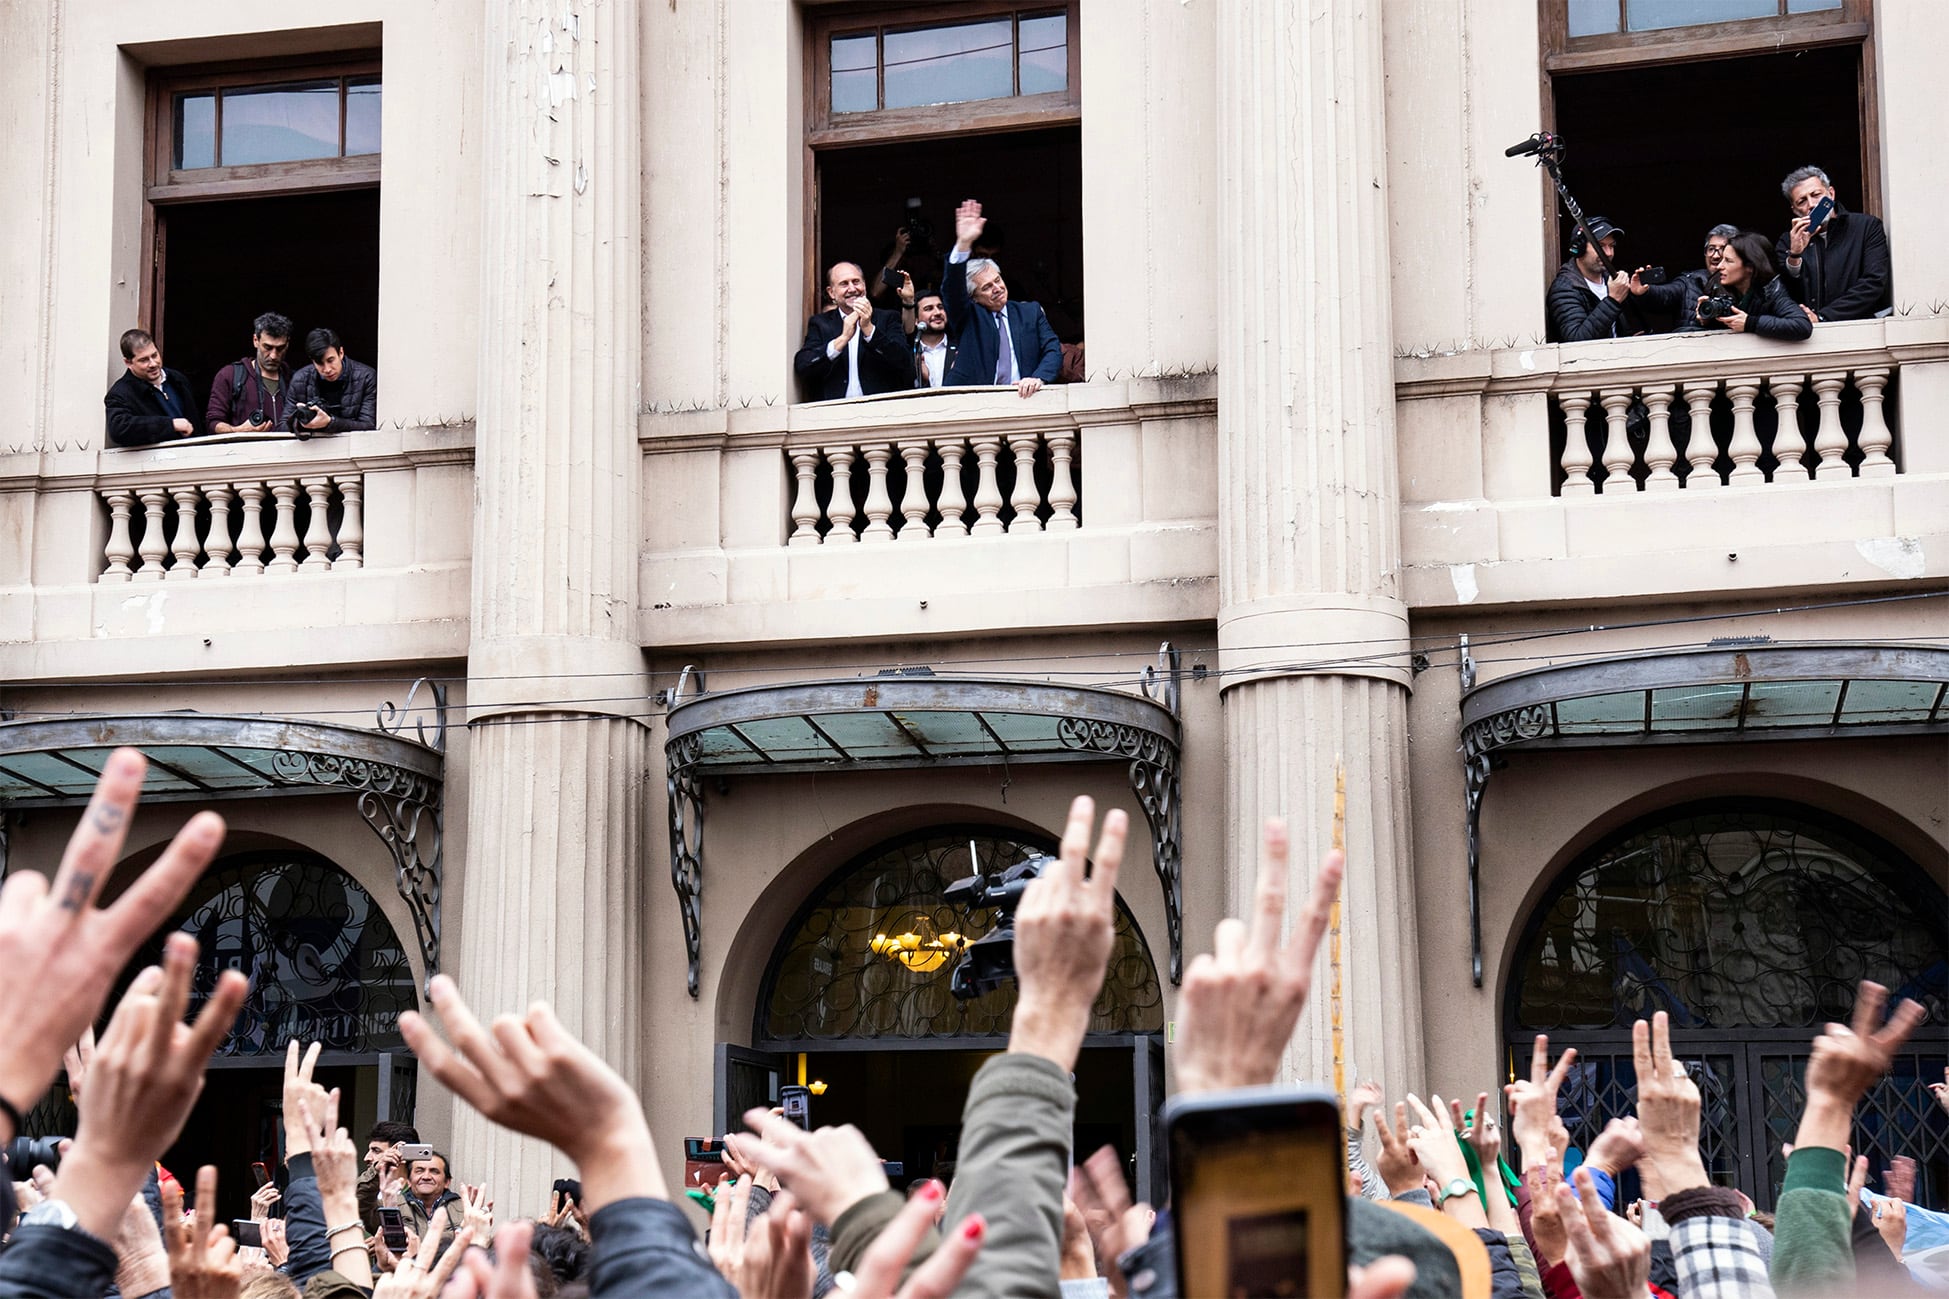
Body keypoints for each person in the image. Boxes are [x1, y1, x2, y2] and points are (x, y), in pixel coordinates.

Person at [943, 199, 1062, 398]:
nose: (997, 288)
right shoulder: (969, 317)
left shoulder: (1030, 312)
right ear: (974, 297)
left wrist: (1038, 378)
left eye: (997, 280)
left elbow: (1053, 350)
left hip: (1023, 399)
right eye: (987, 287)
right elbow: (952, 290)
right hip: (974, 404)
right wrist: (963, 244)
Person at [1774, 164, 1891, 323]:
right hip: (1808, 331)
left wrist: (1824, 317)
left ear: (1831, 194)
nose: (1811, 204)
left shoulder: (1866, 227)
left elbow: (1873, 282)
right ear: (1795, 210)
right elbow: (1783, 293)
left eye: (1816, 195)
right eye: (1802, 201)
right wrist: (1794, 255)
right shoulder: (1787, 241)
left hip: (1860, 327)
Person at [795, 261, 916, 401]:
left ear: (864, 285)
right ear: (831, 293)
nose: (852, 289)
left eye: (856, 282)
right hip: (834, 410)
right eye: (844, 284)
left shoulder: (887, 318)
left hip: (881, 408)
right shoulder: (820, 323)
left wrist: (869, 330)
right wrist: (842, 339)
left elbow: (905, 363)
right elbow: (803, 366)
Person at [1691, 230, 1812, 341]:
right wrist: (1705, 320)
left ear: (1750, 267)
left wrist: (1750, 323)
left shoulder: (1771, 290)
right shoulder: (1715, 286)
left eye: (1728, 261)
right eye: (1722, 259)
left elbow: (1801, 325)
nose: (1719, 266)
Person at [1628, 223, 1738, 333]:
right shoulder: (1690, 281)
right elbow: (1666, 294)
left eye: (1722, 249)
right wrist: (1645, 291)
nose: (1715, 256)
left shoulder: (1743, 283)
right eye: (1711, 249)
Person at [1545, 216, 1638, 343]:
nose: (1609, 253)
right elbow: (1576, 339)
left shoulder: (1610, 280)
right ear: (1580, 249)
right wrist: (1613, 301)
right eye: (1600, 246)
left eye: (1611, 246)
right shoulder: (1564, 289)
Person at [206, 311, 298, 433]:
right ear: (255, 340)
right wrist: (239, 431)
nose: (274, 356)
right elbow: (213, 423)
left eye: (280, 348)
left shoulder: (296, 380)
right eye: (268, 347)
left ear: (287, 344)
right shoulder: (230, 375)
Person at [104, 329, 198, 446]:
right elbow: (119, 429)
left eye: (154, 355)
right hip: (156, 457)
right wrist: (170, 425)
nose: (153, 364)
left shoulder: (178, 379)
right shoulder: (120, 394)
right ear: (128, 363)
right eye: (144, 360)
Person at [284, 328, 378, 438]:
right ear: (312, 361)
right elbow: (282, 427)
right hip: (313, 446)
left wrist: (330, 422)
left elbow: (368, 425)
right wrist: (299, 421)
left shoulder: (365, 377)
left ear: (341, 353)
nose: (327, 369)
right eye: (319, 363)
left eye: (330, 360)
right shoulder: (300, 379)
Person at [912, 292, 956, 390]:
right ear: (916, 320)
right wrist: (924, 381)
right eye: (928, 309)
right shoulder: (911, 352)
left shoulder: (960, 348)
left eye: (940, 307)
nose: (937, 312)